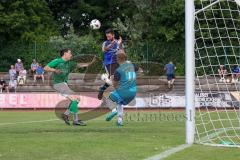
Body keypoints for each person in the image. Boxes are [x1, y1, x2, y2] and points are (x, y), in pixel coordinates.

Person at [44, 48, 95, 126]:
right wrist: (54, 70)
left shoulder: (69, 63)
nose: (71, 55)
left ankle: (66, 115)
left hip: (63, 84)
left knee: (76, 99)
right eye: (70, 53)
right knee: (75, 98)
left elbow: (79, 65)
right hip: (58, 84)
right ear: (65, 54)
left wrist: (89, 63)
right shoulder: (57, 61)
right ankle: (75, 120)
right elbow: (45, 68)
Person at [104, 50, 138, 126]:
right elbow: (141, 71)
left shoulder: (118, 71)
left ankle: (113, 111)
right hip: (133, 92)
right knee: (119, 103)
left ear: (117, 59)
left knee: (108, 99)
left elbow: (114, 85)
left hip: (124, 91)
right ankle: (119, 122)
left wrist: (107, 80)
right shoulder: (132, 65)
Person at [98, 28, 122, 100]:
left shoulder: (118, 42)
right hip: (109, 64)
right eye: (107, 36)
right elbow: (104, 50)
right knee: (114, 80)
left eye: (109, 36)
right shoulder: (105, 43)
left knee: (117, 80)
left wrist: (119, 44)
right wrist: (112, 43)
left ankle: (102, 88)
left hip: (117, 63)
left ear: (113, 35)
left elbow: (121, 52)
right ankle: (117, 96)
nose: (108, 38)